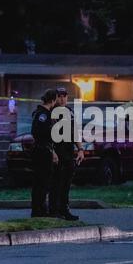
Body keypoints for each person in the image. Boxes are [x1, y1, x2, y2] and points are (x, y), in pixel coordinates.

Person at [49, 87, 85, 221]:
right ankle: (53, 210)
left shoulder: (70, 112)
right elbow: (47, 135)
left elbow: (75, 132)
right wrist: (52, 152)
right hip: (57, 152)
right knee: (56, 183)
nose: (62, 98)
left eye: (64, 96)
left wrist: (80, 149)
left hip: (69, 152)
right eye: (59, 96)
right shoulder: (51, 112)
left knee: (66, 184)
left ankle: (65, 210)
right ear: (55, 98)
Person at [30, 89, 59, 218]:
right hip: (42, 151)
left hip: (41, 150)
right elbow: (40, 133)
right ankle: (39, 210)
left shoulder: (41, 113)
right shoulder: (44, 114)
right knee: (42, 182)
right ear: (52, 100)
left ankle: (39, 209)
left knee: (40, 182)